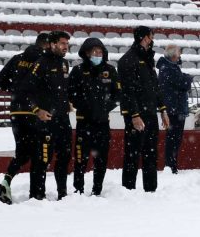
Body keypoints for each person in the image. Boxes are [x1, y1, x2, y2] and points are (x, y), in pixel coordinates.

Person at [0, 32, 50, 204]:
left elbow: (0, 79)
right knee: (39, 154)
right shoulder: (43, 61)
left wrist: (14, 89)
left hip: (16, 112)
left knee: (22, 151)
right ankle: (37, 194)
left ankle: (7, 180)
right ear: (47, 45)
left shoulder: (17, 58)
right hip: (35, 111)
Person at [118, 25, 170, 192]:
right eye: (151, 36)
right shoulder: (128, 59)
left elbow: (155, 86)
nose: (152, 40)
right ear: (145, 38)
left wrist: (163, 109)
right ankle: (128, 190)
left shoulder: (148, 59)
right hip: (136, 115)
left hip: (150, 114)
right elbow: (127, 91)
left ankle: (150, 189)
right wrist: (134, 114)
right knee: (132, 154)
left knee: (151, 154)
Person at [24, 30, 73, 200]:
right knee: (43, 158)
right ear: (52, 44)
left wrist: (67, 103)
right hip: (46, 120)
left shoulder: (65, 64)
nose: (65, 47)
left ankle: (62, 193)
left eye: (67, 44)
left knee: (65, 156)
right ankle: (37, 195)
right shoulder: (41, 63)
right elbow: (26, 91)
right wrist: (37, 110)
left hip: (62, 118)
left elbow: (63, 89)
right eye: (62, 43)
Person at [69, 37, 120, 195]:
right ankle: (78, 190)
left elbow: (117, 94)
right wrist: (84, 105)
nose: (97, 54)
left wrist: (105, 107)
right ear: (86, 53)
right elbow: (71, 93)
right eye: (94, 51)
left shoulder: (110, 70)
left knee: (101, 160)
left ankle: (97, 190)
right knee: (80, 159)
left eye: (100, 51)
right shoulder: (77, 71)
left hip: (103, 123)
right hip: (84, 123)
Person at [157, 44, 193, 174]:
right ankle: (170, 166)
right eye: (178, 54)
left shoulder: (170, 67)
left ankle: (172, 164)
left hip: (175, 108)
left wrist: (185, 78)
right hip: (174, 109)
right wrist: (188, 78)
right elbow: (183, 83)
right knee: (173, 139)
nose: (180, 56)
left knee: (174, 139)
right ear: (173, 56)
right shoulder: (168, 68)